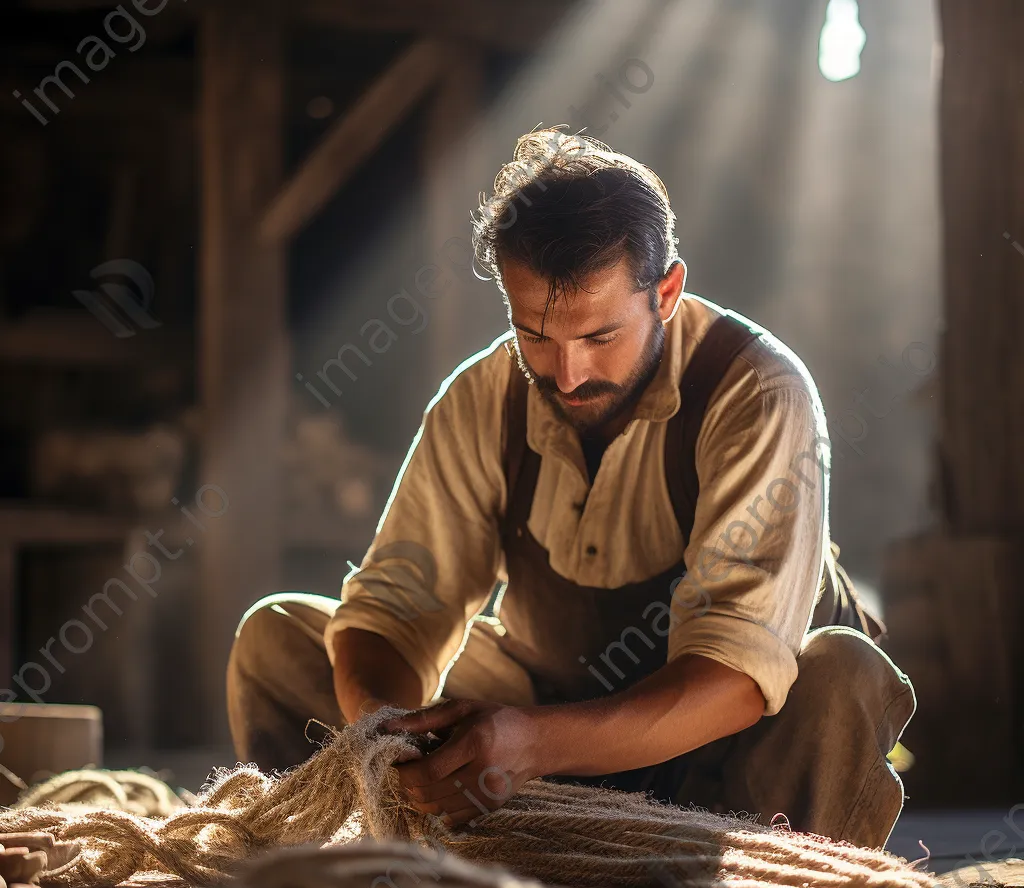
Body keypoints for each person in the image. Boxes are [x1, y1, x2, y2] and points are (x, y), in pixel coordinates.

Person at [227, 130, 915, 848]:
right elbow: (392, 616)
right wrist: (393, 741)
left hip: (728, 758)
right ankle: (366, 869)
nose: (568, 374)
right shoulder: (484, 397)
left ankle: (744, 883)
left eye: (600, 337)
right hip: (543, 724)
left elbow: (736, 677)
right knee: (281, 641)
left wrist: (536, 744)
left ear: (667, 292)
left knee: (843, 675)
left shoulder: (757, 391)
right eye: (536, 337)